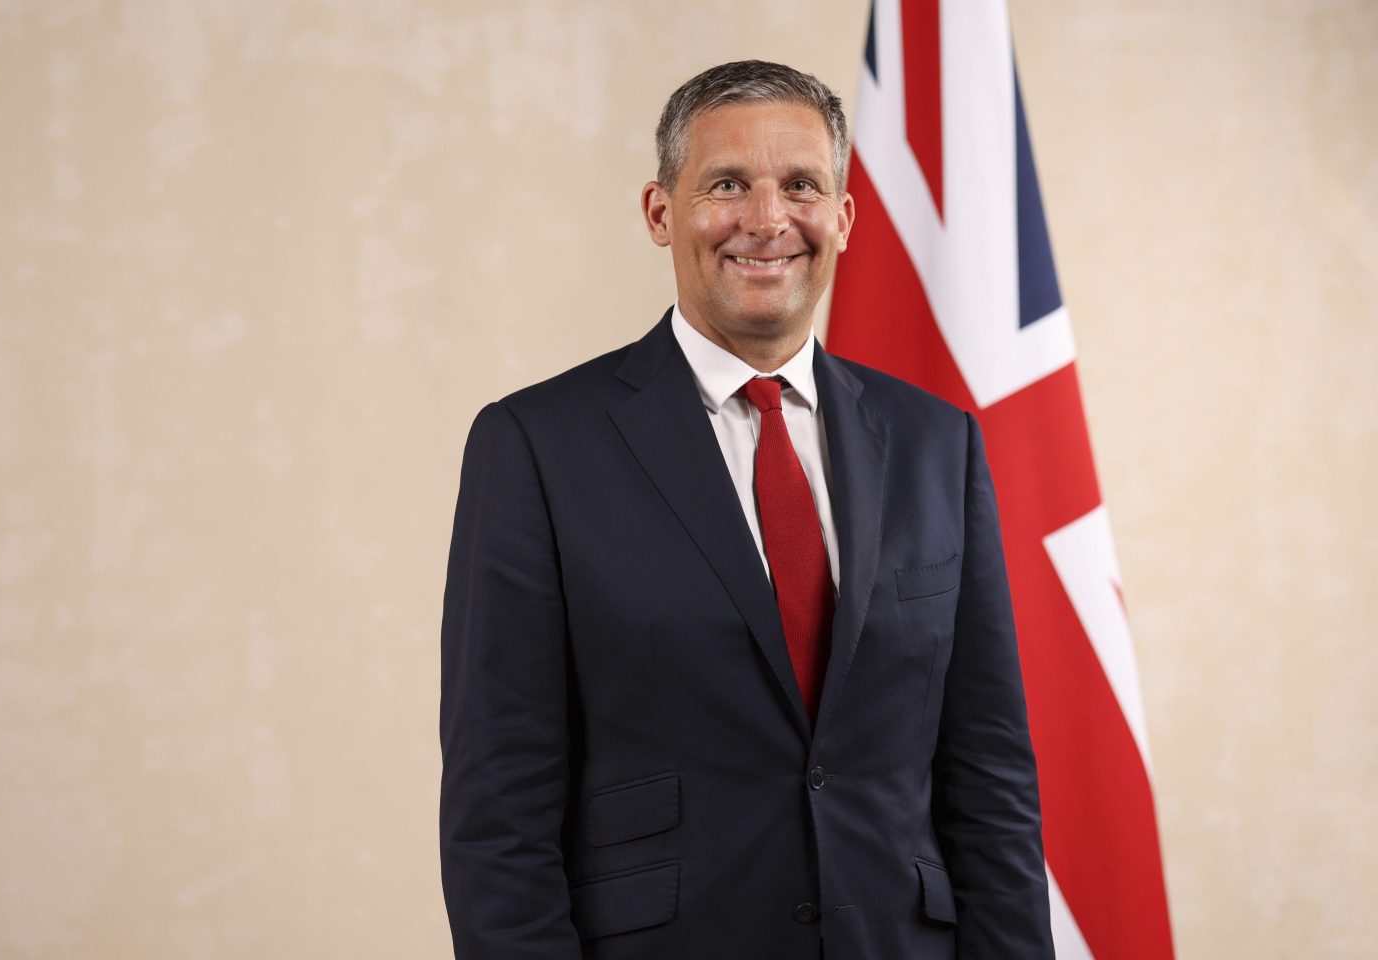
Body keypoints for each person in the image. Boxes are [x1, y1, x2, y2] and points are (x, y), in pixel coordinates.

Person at [439, 60, 1055, 960]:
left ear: (841, 217)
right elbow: (499, 811)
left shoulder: (936, 443)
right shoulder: (536, 445)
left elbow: (989, 775)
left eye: (801, 185)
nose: (768, 221)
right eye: (727, 185)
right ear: (661, 212)